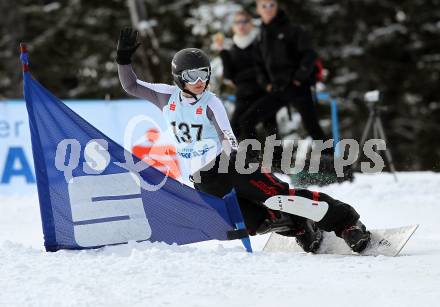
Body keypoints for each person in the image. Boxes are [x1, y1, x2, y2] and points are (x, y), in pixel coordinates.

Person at [116, 28, 371, 253]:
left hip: (229, 164)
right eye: (192, 76)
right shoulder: (166, 96)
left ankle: (347, 223)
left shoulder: (210, 102)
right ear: (179, 77)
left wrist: (240, 163)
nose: (200, 82)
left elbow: (227, 135)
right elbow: (131, 86)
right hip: (202, 181)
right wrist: (124, 59)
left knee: (280, 196)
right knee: (253, 222)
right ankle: (298, 226)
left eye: (204, 74)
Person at [240, 0, 330, 154]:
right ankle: (256, 165)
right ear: (258, 9)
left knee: (312, 127)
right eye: (264, 6)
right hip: (277, 89)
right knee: (247, 121)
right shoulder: (260, 35)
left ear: (277, 6)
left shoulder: (292, 30)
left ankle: (336, 168)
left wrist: (299, 77)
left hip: (298, 87)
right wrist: (266, 84)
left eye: (271, 5)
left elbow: (309, 54)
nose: (268, 9)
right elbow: (258, 64)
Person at [213, 10, 276, 141]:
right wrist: (222, 51)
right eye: (237, 22)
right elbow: (229, 76)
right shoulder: (232, 50)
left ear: (251, 24)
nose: (241, 25)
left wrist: (241, 77)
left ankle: (275, 159)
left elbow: (266, 69)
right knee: (237, 125)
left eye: (244, 21)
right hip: (243, 95)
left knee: (269, 126)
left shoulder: (260, 44)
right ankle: (251, 158)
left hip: (263, 92)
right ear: (233, 26)